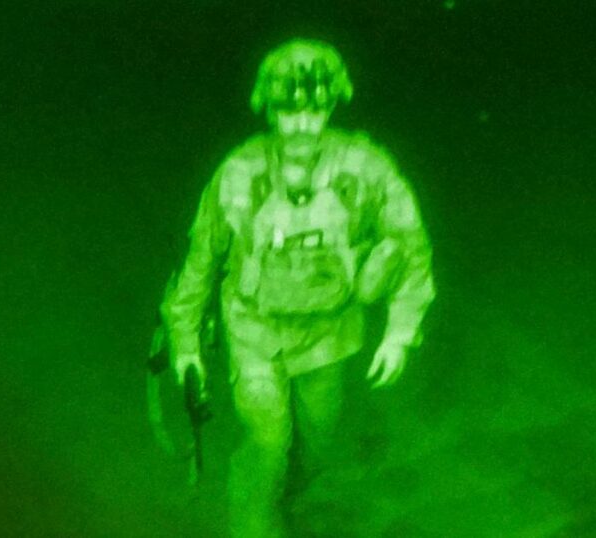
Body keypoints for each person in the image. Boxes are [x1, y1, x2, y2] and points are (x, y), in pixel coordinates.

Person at [160, 38, 436, 538]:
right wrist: (185, 345)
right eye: (290, 112)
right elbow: (201, 259)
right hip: (255, 331)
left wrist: (400, 331)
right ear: (270, 111)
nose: (303, 125)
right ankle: (256, 522)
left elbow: (410, 246)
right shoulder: (239, 173)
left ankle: (283, 495)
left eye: (315, 110)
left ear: (331, 107)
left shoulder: (366, 168)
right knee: (266, 444)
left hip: (330, 336)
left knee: (318, 443)